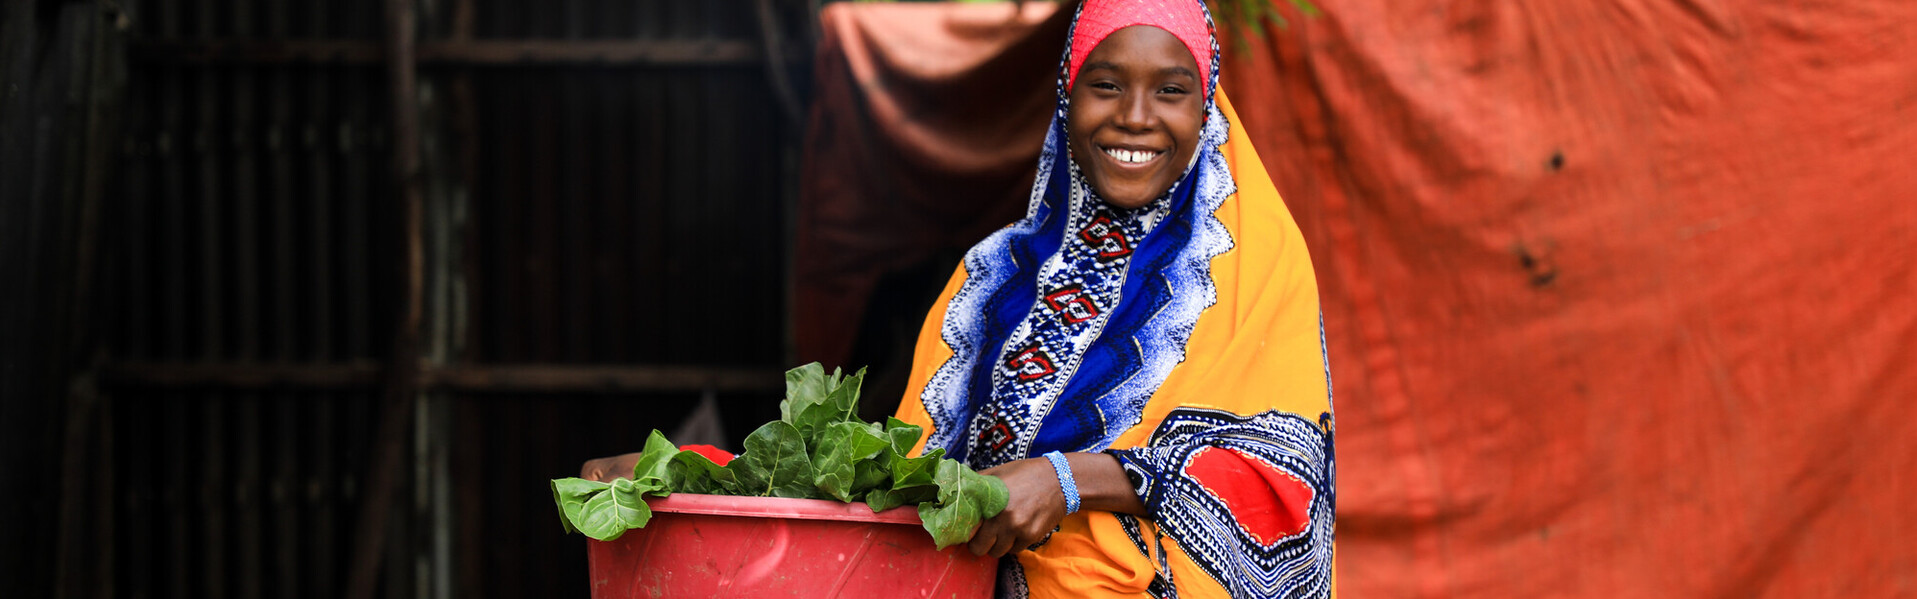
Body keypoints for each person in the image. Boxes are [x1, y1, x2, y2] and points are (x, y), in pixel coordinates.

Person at [888, 0, 1337, 596]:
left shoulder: (1248, 263)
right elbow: (912, 473)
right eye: (1105, 85)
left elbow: (1286, 477)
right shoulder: (990, 279)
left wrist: (1068, 480)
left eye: (1170, 91)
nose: (1135, 117)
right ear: (1066, 96)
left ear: (1205, 108)